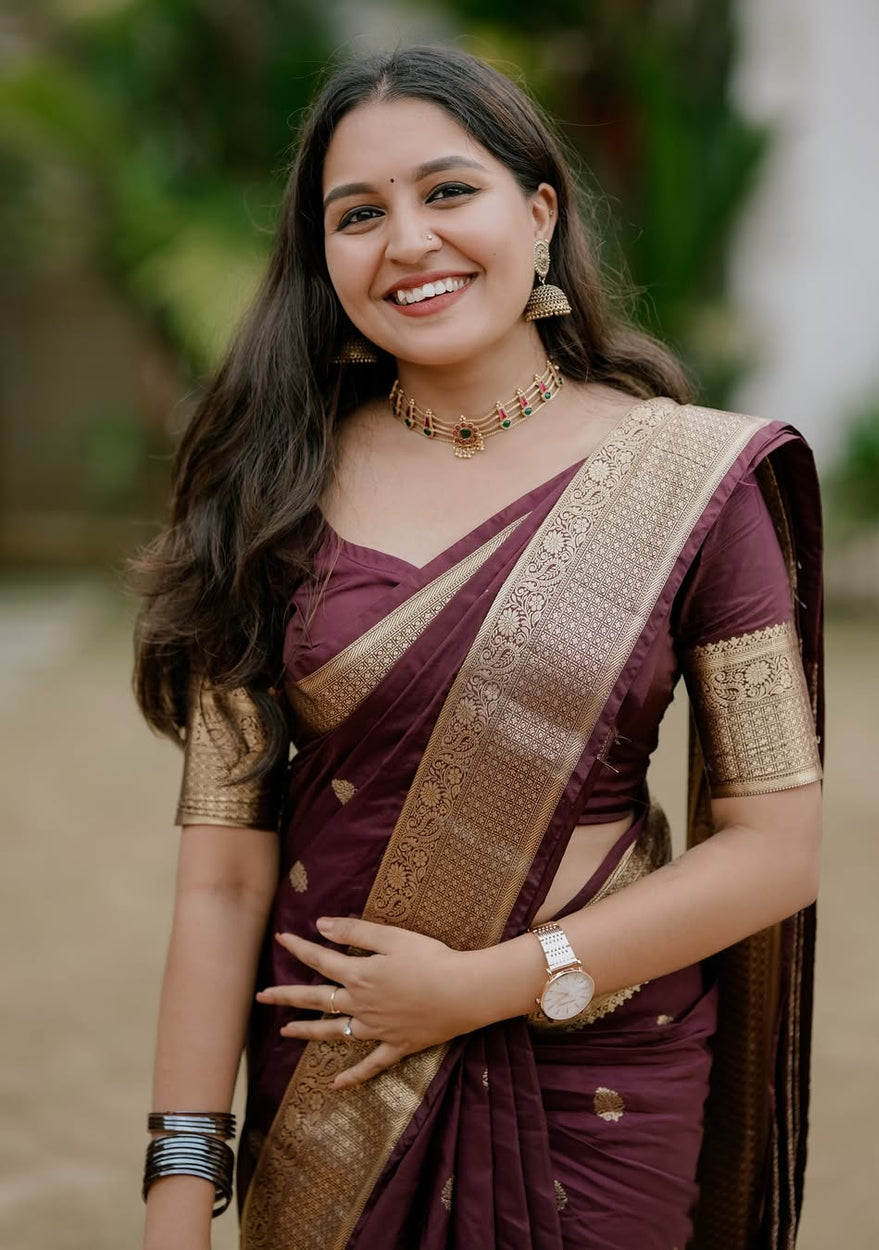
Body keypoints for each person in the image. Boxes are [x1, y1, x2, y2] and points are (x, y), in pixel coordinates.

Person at [132, 44, 823, 1250]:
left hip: (598, 1078)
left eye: (448, 191)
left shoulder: (693, 482)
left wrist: (480, 984)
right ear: (321, 256)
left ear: (539, 212)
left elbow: (775, 851)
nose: (407, 241)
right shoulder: (268, 498)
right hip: (335, 1093)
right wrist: (177, 1189)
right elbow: (223, 877)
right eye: (359, 213)